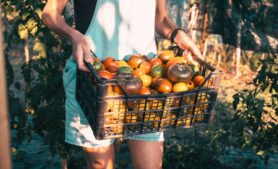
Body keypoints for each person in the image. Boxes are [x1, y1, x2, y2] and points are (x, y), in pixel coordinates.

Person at [42, 0, 202, 168]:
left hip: (144, 84)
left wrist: (177, 34)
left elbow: (159, 18)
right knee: (100, 164)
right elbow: (49, 12)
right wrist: (74, 35)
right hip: (93, 81)